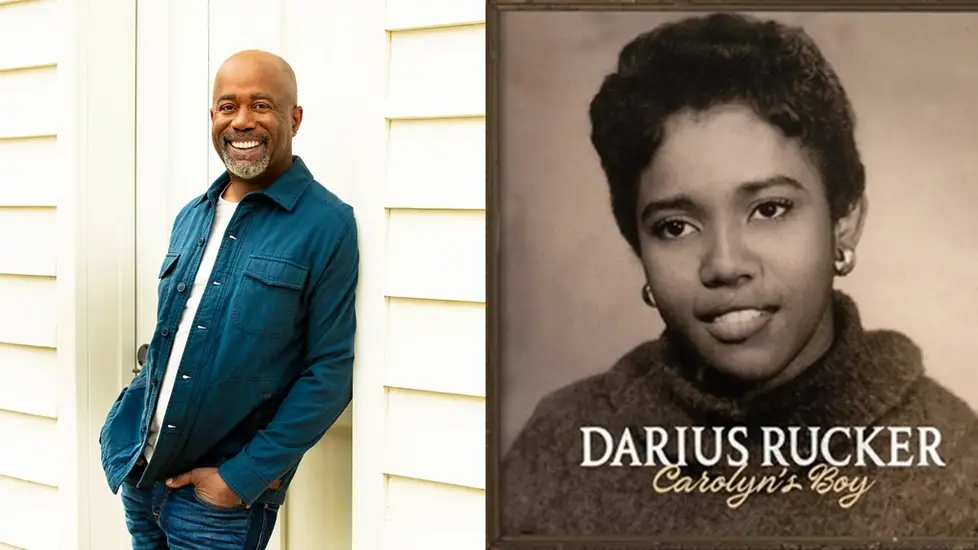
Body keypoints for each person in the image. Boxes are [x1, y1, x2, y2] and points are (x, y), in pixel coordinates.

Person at [501, 13, 978, 538]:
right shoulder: (563, 448)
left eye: (770, 209)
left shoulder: (953, 463)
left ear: (844, 221)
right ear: (638, 247)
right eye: (676, 226)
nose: (725, 264)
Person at [98, 50, 359, 549]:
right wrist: (120, 428)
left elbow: (330, 370)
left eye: (261, 105)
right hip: (140, 475)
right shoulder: (190, 217)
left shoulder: (326, 224)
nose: (242, 121)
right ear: (213, 117)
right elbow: (169, 342)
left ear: (294, 118)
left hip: (216, 506)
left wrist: (244, 477)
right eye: (227, 106)